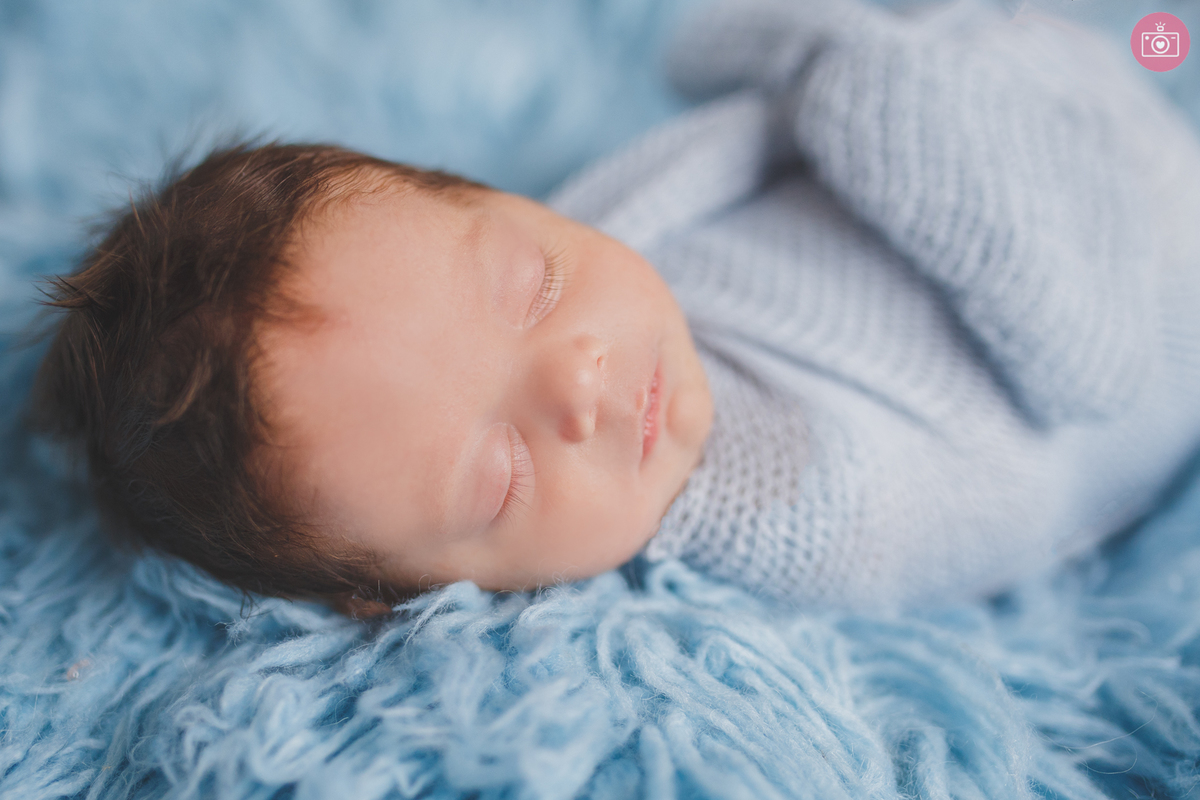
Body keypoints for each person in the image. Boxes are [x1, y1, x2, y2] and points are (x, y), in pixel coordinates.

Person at [29, 0, 1200, 615]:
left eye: (529, 283)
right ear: (398, 596)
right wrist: (842, 75)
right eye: (495, 479)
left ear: (497, 197)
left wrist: (806, 79)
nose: (579, 382)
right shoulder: (796, 510)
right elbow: (1089, 367)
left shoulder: (599, 242)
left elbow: (700, 153)